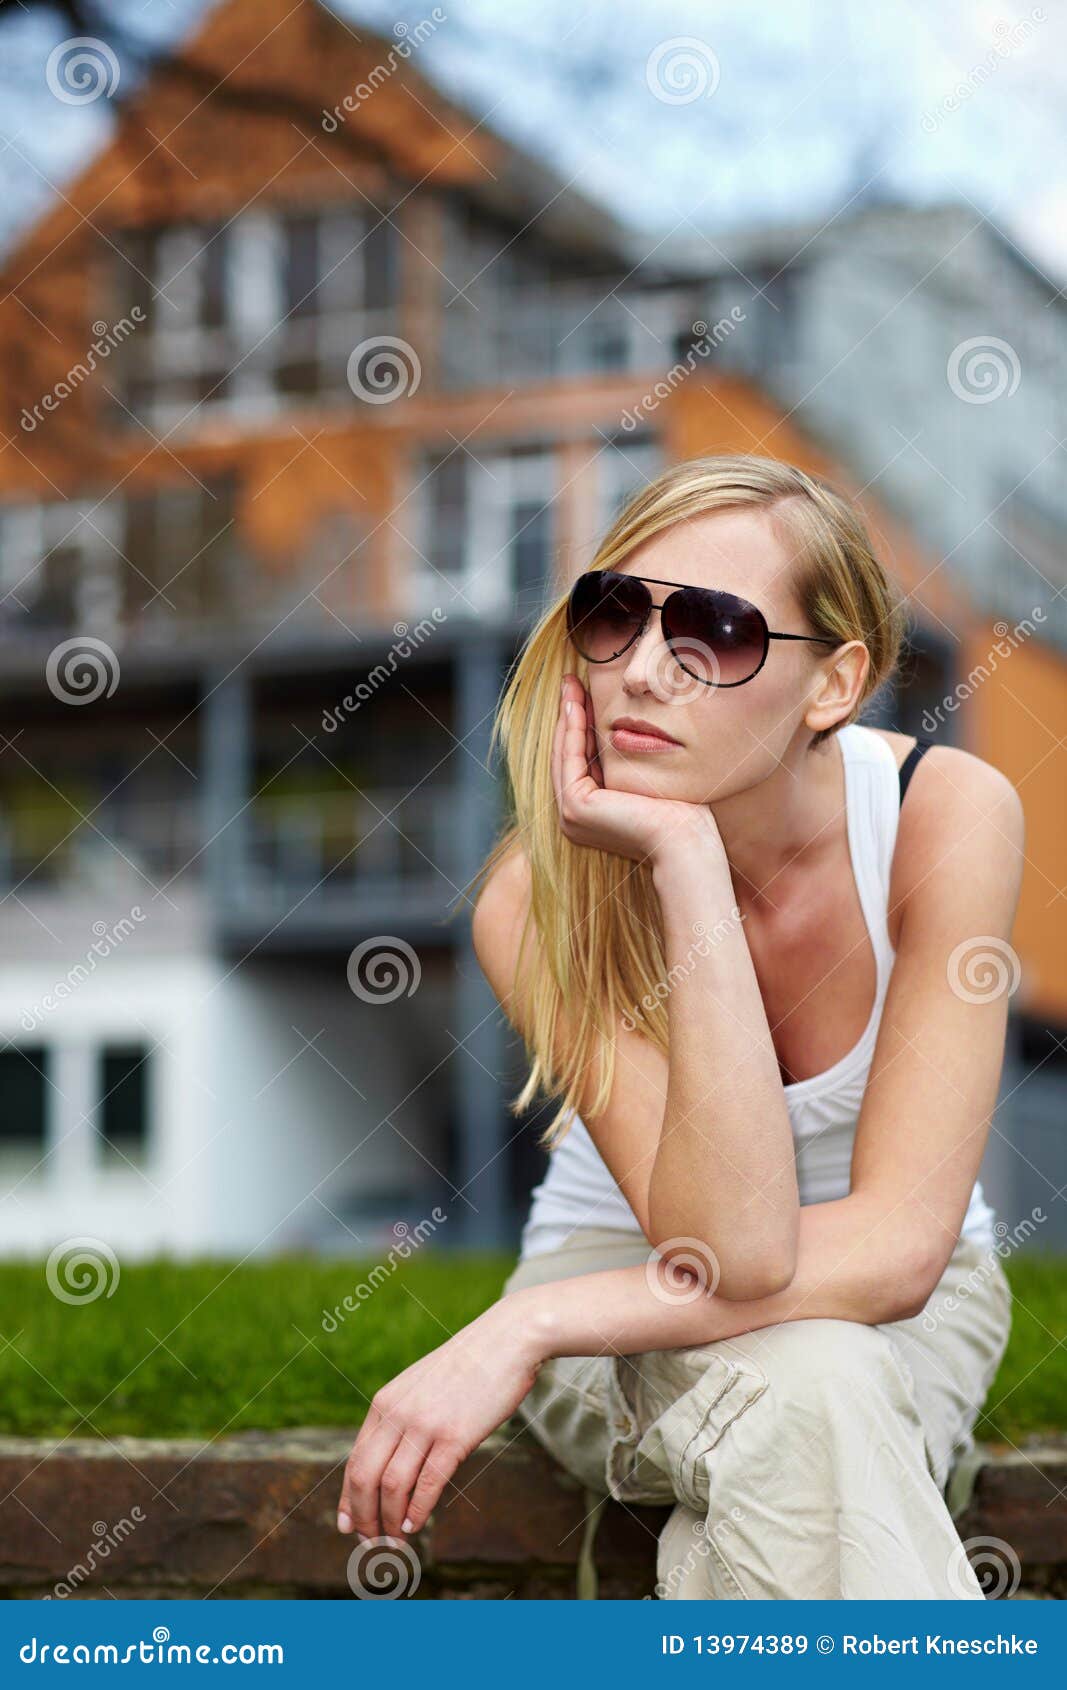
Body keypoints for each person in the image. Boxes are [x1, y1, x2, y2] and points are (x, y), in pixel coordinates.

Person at [336, 453, 1022, 1600]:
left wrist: (529, 1325)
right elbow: (722, 1243)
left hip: (859, 1293)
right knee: (818, 1390)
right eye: (615, 614)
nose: (643, 671)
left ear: (831, 683)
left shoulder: (939, 817)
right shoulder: (533, 900)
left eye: (714, 632)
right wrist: (687, 865)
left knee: (814, 1383)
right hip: (635, 1266)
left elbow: (900, 1250)